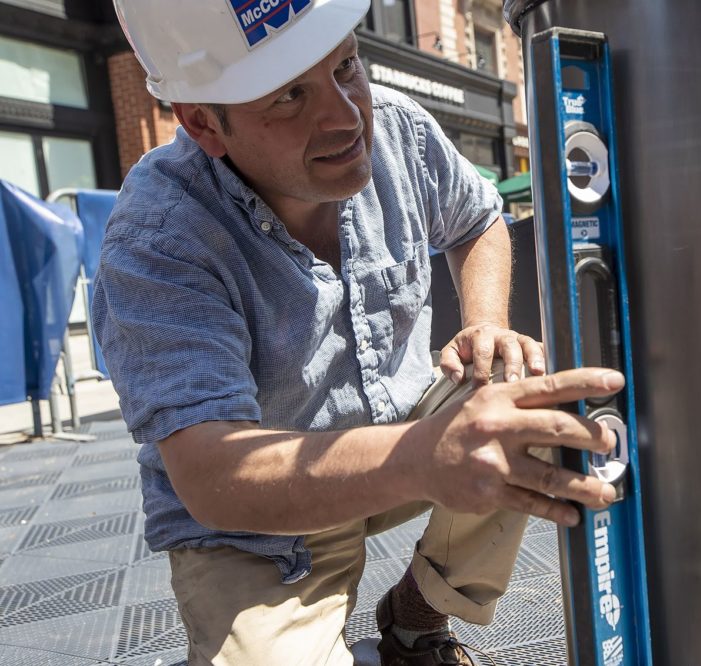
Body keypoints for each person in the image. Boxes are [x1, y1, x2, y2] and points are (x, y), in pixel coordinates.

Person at [93, 1, 622, 664]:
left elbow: (476, 219)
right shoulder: (159, 242)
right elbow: (209, 473)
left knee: (530, 402)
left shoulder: (398, 126)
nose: (346, 118)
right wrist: (425, 457)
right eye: (290, 96)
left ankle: (418, 618)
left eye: (346, 65)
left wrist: (486, 324)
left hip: (406, 437)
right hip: (251, 520)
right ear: (203, 124)